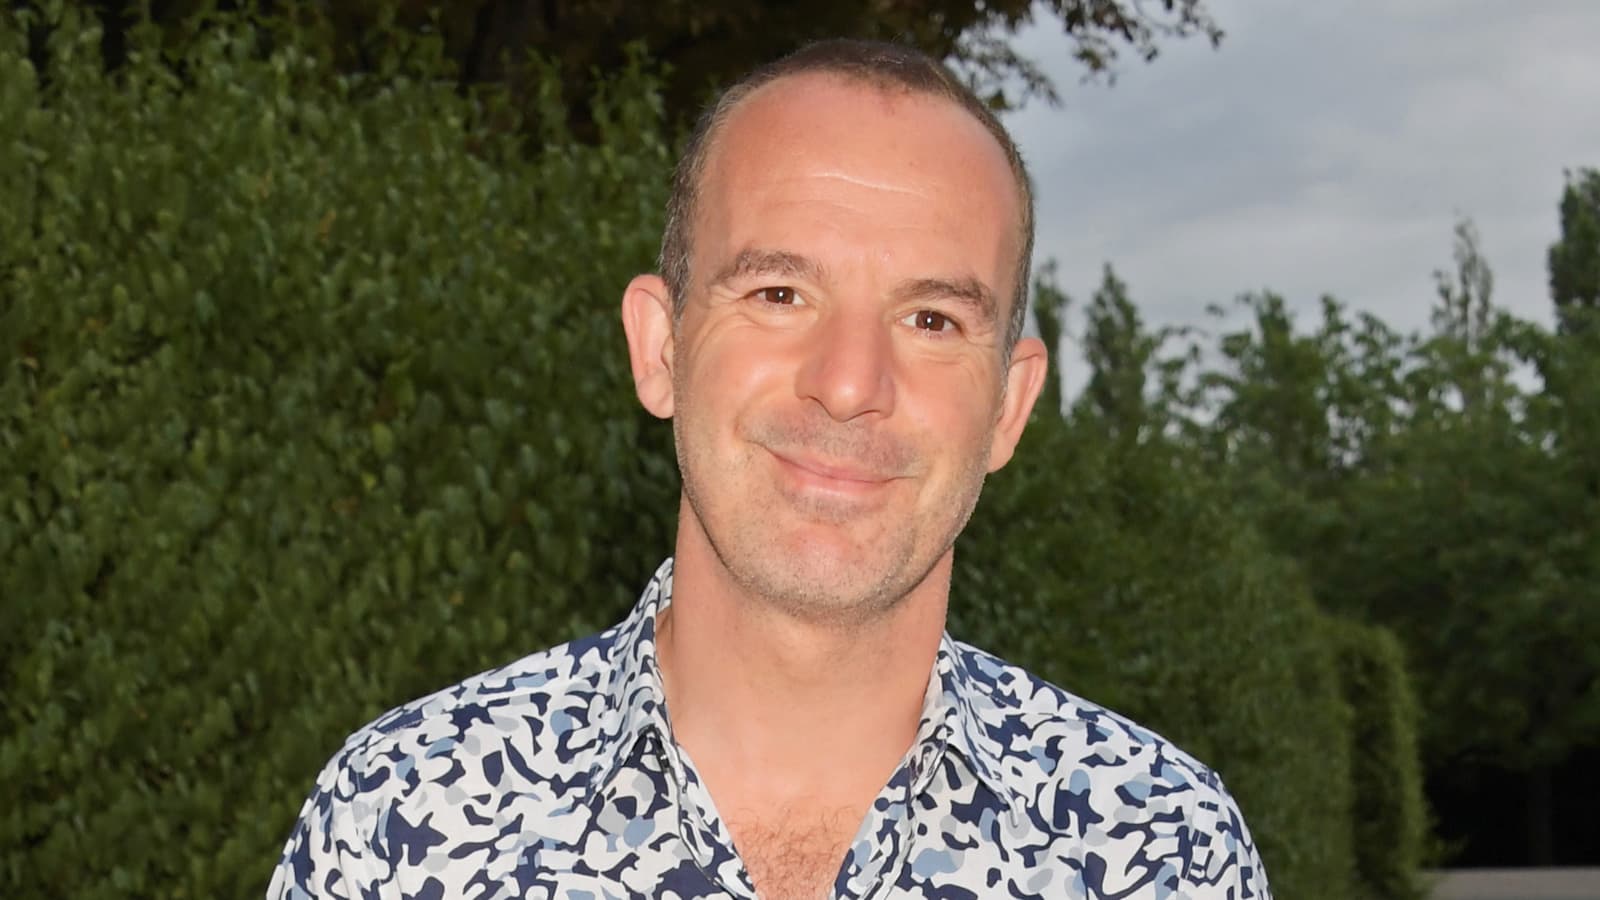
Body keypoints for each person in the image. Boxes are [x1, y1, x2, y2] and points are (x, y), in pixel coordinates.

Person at [268, 38, 1272, 900]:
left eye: (932, 320)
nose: (847, 384)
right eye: (780, 293)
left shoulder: (1158, 848)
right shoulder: (401, 824)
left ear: (1008, 406)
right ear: (659, 346)